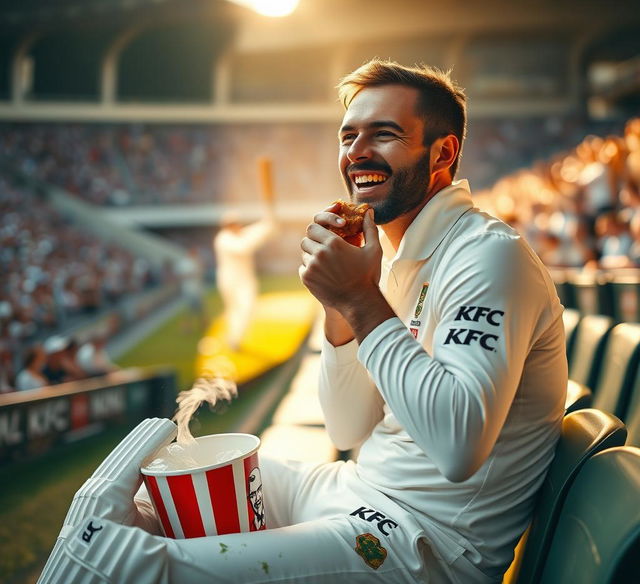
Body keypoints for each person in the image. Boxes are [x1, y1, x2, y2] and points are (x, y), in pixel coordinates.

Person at [38, 61, 567, 584]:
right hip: (358, 489)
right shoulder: (398, 256)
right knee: (172, 484)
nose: (357, 152)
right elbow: (346, 426)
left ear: (442, 153)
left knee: (138, 567)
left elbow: (458, 446)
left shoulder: (488, 255)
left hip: (426, 544)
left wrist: (360, 299)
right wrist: (338, 309)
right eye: (348, 136)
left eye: (384, 134)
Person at [213, 206, 276, 350]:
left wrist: (268, 221)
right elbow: (244, 247)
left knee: (244, 309)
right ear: (228, 226)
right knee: (240, 309)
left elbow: (257, 229)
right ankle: (234, 340)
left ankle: (234, 339)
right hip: (231, 280)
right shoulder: (224, 238)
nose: (238, 225)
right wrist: (264, 230)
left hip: (243, 279)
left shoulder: (239, 234)